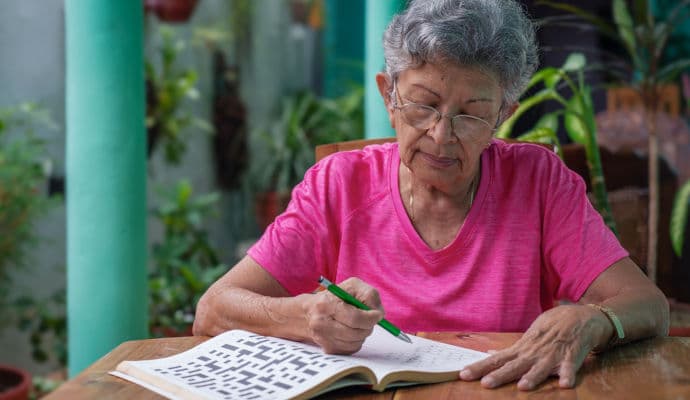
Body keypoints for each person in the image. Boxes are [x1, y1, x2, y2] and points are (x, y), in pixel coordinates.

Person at [194, 0, 669, 391]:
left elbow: (647, 303)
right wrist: (303, 315)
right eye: (423, 105)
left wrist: (593, 318)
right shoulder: (338, 184)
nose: (441, 135)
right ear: (389, 97)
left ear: (503, 115)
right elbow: (214, 310)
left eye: (472, 113)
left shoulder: (539, 181)